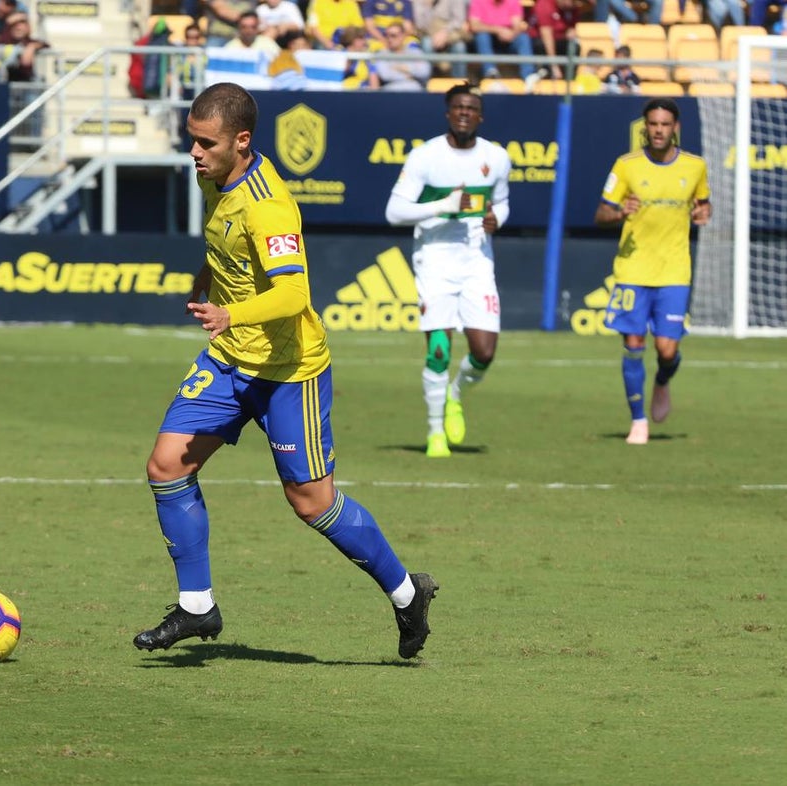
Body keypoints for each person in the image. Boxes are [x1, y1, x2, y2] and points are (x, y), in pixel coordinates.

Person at [132, 82, 438, 660]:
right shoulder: (212, 177)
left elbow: (294, 294)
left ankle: (406, 592)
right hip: (229, 360)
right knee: (166, 466)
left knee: (312, 502)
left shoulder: (269, 205)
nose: (194, 152)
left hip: (289, 370)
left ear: (241, 141)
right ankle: (197, 606)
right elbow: (226, 246)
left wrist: (230, 313)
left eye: (206, 143)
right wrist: (208, 278)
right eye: (192, 140)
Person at [384, 83, 511, 458]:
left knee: (484, 352)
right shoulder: (425, 156)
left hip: (477, 261)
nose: (464, 113)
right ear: (448, 113)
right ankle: (435, 432)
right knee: (439, 349)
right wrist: (443, 205)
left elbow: (502, 202)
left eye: (471, 108)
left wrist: (497, 219)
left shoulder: (496, 157)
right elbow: (394, 212)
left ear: (480, 116)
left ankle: (456, 395)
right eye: (458, 107)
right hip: (435, 260)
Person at [593, 98, 711, 446]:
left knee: (667, 351)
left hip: (674, 270)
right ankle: (638, 420)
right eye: (653, 124)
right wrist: (619, 212)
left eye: (665, 124)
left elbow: (703, 204)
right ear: (646, 127)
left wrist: (703, 213)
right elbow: (601, 214)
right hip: (633, 269)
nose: (659, 130)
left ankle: (661, 382)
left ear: (675, 128)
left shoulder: (695, 166)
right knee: (633, 344)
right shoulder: (626, 165)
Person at [467, 0, 534, 81]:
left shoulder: (513, 1)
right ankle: (490, 71)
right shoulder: (478, 1)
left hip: (508, 39)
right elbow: (474, 26)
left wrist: (511, 34)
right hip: (487, 40)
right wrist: (498, 30)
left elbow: (517, 25)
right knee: (482, 36)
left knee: (523, 38)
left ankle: (528, 74)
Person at [412, 0, 469, 78]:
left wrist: (445, 32)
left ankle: (460, 81)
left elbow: (459, 21)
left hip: (450, 34)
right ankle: (426, 80)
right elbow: (420, 25)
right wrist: (427, 7)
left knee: (459, 47)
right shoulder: (418, 2)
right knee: (427, 43)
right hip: (428, 34)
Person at [373, 20, 430, 91]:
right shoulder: (381, 54)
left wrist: (405, 68)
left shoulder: (416, 53)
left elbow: (424, 72)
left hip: (415, 92)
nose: (389, 39)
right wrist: (410, 76)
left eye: (393, 36)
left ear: (403, 36)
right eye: (386, 36)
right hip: (391, 92)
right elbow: (386, 75)